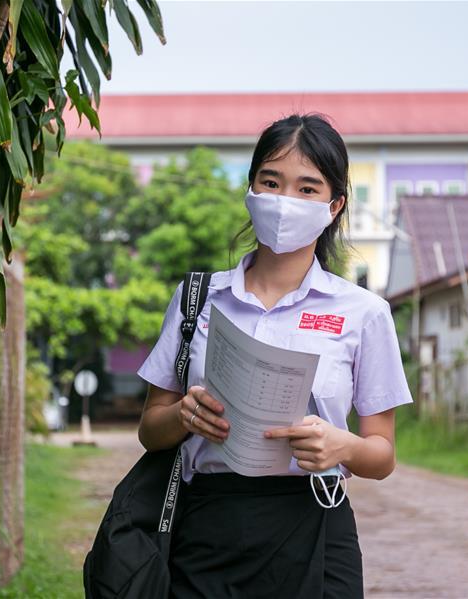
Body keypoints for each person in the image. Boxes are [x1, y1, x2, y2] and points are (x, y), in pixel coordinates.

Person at [136, 113, 414, 598]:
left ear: (335, 205)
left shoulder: (364, 313)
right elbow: (150, 429)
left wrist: (341, 446)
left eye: (307, 188)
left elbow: (382, 454)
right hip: (207, 529)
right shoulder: (197, 298)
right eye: (272, 181)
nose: (285, 201)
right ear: (251, 189)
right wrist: (185, 416)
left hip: (314, 523)